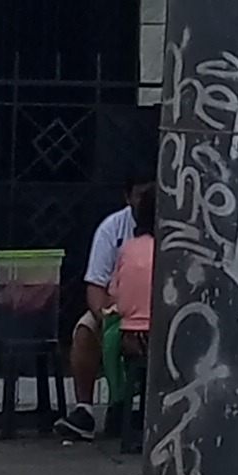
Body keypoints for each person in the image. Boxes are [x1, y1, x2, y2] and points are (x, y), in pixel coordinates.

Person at [61, 172, 154, 442]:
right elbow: (96, 286)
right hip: (118, 311)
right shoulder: (112, 229)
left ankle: (122, 404)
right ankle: (85, 409)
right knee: (86, 331)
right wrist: (105, 317)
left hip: (147, 314)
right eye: (140, 196)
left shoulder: (162, 234)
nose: (144, 202)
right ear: (127, 197)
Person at [104, 188, 156, 453]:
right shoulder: (172, 251)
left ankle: (118, 403)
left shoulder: (128, 249)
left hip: (132, 339)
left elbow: (117, 297)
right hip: (161, 338)